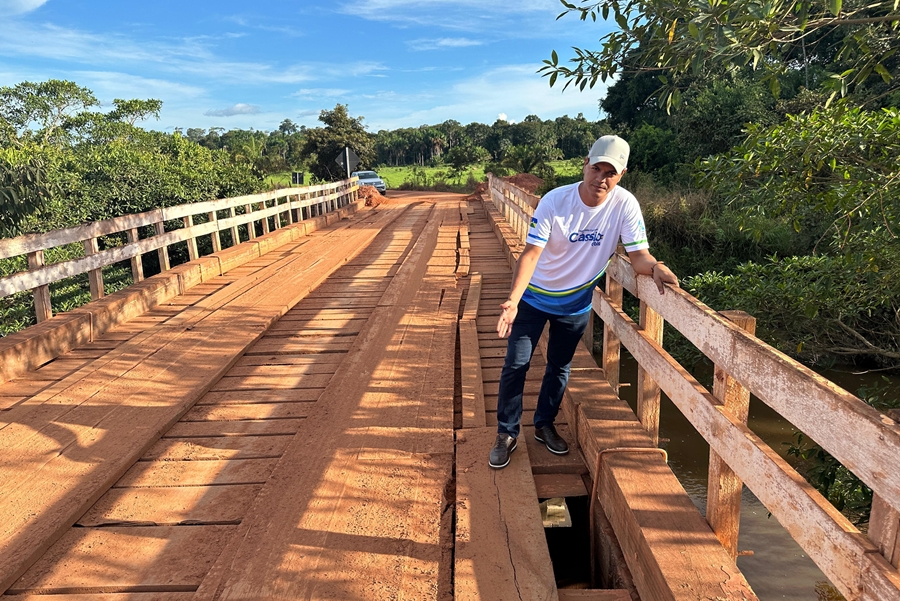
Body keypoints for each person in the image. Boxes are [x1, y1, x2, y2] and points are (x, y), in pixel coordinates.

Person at [489, 135, 679, 469]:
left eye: (610, 172)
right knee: (516, 365)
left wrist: (657, 267)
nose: (600, 178)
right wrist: (513, 300)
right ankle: (506, 433)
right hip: (534, 297)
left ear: (621, 175)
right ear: (585, 165)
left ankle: (544, 425)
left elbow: (638, 257)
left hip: (575, 304)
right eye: (596, 168)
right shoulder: (555, 201)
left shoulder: (625, 205)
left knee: (560, 367)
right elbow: (531, 253)